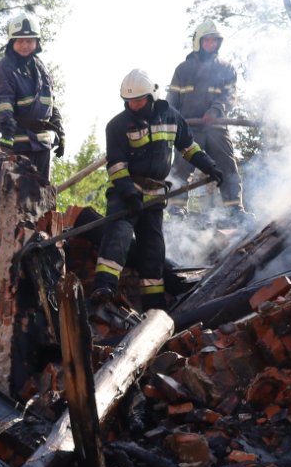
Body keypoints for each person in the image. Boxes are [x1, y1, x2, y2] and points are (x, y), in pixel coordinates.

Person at [94, 70, 239, 313]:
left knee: (153, 250)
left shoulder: (172, 117)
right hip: (125, 193)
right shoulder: (117, 125)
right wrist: (129, 194)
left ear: (151, 97)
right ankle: (104, 287)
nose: (134, 105)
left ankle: (154, 305)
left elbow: (188, 147)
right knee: (117, 236)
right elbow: (116, 165)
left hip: (155, 196)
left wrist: (209, 166)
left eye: (139, 100)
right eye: (129, 101)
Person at [168, 20, 245, 224]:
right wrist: (172, 123)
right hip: (188, 129)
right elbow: (172, 101)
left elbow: (230, 96)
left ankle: (234, 209)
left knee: (227, 167)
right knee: (181, 168)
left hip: (216, 127)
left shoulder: (227, 69)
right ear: (198, 42)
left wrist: (216, 110)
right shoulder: (182, 70)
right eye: (207, 40)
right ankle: (176, 209)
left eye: (215, 41)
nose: (211, 44)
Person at [0, 15, 60, 180]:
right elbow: (3, 104)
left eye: (29, 41)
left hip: (42, 146)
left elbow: (50, 103)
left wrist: (59, 130)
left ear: (36, 42)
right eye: (20, 41)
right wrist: (7, 135)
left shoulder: (41, 68)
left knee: (41, 198)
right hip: (19, 146)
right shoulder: (4, 69)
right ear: (12, 42)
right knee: (18, 198)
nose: (25, 46)